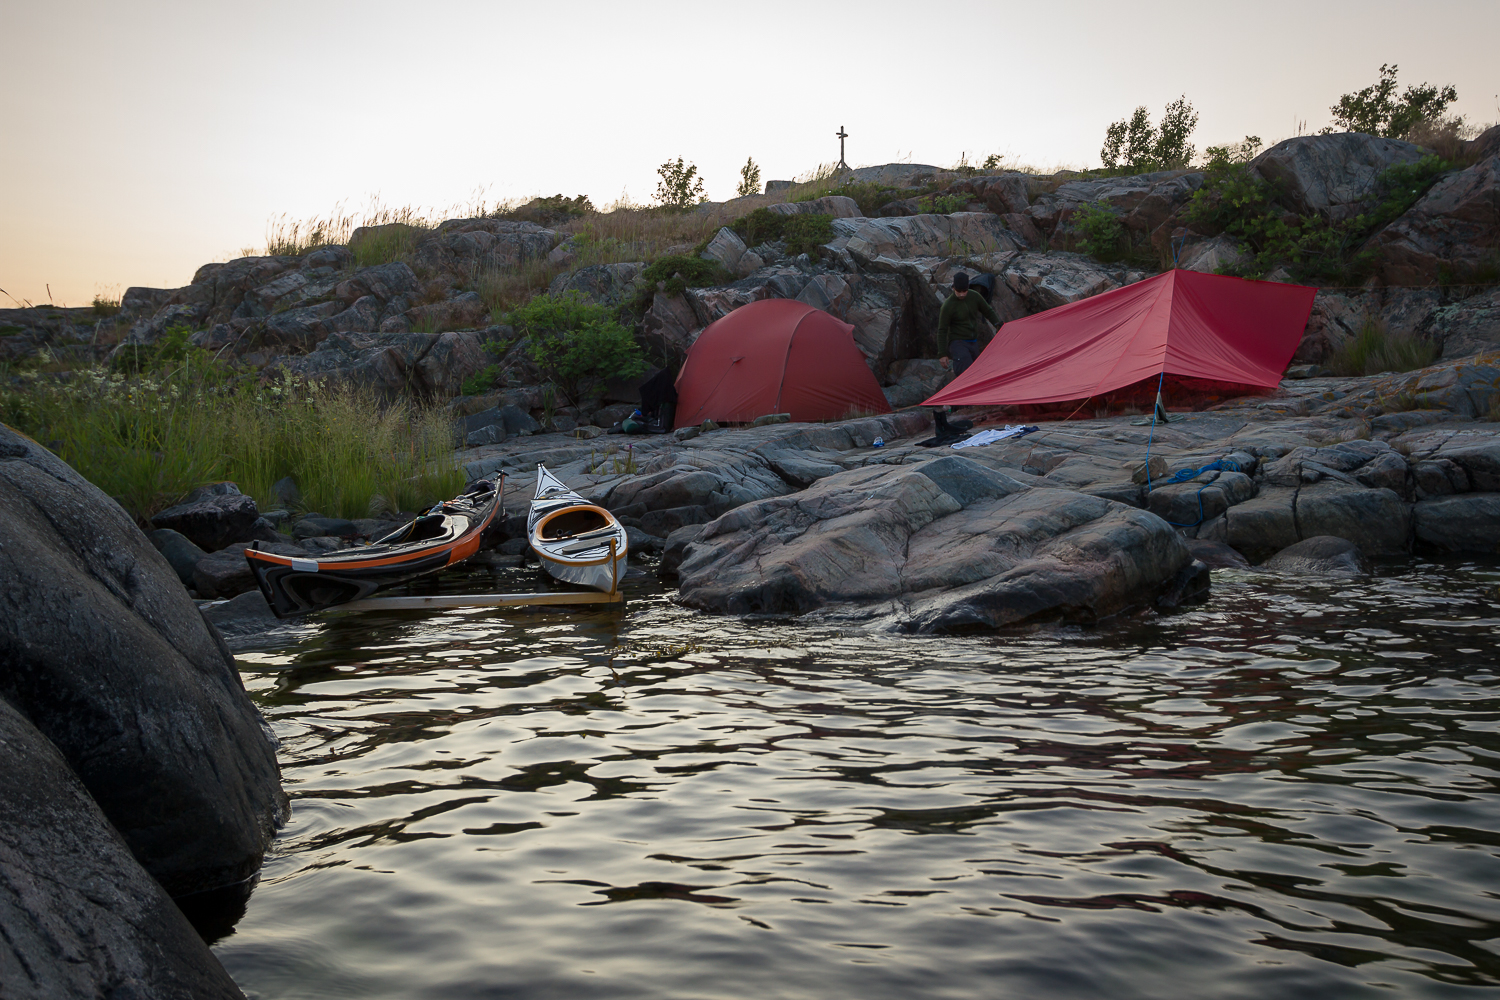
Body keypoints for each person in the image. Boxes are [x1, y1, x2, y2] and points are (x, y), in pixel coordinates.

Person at [931, 271, 1000, 439]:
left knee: (977, 373)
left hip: (973, 342)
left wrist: (999, 324)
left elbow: (987, 310)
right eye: (959, 291)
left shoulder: (974, 297)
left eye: (964, 291)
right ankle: (955, 407)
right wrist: (942, 353)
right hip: (957, 343)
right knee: (965, 371)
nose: (962, 294)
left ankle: (973, 405)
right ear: (953, 288)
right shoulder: (948, 305)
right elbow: (942, 330)